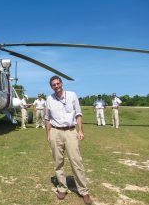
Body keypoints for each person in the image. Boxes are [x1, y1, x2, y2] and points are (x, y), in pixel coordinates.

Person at [45, 75, 92, 205]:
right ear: (51, 86)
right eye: (53, 85)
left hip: (71, 131)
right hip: (55, 132)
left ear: (61, 83)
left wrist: (80, 130)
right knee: (58, 162)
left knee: (76, 161)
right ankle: (62, 188)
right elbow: (47, 118)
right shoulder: (49, 99)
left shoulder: (72, 95)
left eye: (58, 84)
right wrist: (48, 134)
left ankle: (84, 191)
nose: (56, 86)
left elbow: (78, 114)